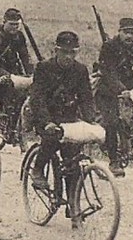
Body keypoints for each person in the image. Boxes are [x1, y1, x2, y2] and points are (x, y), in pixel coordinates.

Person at [28, 31, 98, 200]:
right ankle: (38, 169)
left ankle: (73, 205)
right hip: (46, 116)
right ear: (56, 51)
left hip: (68, 119)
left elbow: (86, 98)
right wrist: (46, 122)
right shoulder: (44, 68)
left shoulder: (80, 70)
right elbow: (37, 99)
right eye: (64, 52)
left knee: (72, 160)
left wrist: (91, 120)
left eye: (72, 52)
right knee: (51, 139)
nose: (68, 57)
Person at [95, 17, 133, 177]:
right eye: (126, 32)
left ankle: (131, 136)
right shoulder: (109, 46)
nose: (130, 36)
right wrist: (122, 90)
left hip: (128, 80)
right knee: (111, 122)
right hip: (108, 85)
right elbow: (108, 72)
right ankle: (114, 160)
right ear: (119, 31)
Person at [0, 8, 34, 139]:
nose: (14, 27)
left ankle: (12, 128)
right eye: (11, 24)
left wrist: (32, 74)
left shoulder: (19, 37)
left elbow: (24, 56)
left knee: (23, 94)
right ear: (4, 22)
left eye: (17, 24)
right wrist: (0, 74)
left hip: (13, 70)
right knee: (5, 89)